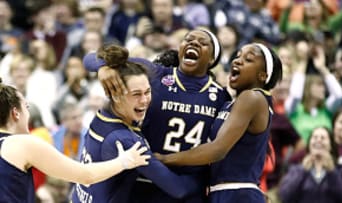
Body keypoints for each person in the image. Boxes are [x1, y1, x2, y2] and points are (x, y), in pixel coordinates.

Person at [83, 28, 231, 202]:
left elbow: (220, 146)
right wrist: (102, 68)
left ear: (212, 59)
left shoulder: (221, 97)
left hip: (188, 184)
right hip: (144, 177)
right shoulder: (155, 72)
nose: (193, 43)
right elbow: (90, 58)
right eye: (188, 39)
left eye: (203, 42)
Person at [71, 44, 203, 203]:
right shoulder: (126, 140)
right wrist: (205, 180)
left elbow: (92, 58)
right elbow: (178, 189)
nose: (145, 100)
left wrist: (103, 67)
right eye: (136, 94)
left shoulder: (103, 115)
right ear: (116, 94)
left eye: (148, 92)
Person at [155, 43, 283, 203]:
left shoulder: (252, 98)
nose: (237, 61)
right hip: (222, 192)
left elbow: (218, 150)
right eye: (237, 56)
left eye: (248, 60)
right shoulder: (230, 103)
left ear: (262, 76)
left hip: (238, 193)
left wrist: (165, 159)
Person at [0, 78, 150, 203]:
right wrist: (125, 161)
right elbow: (85, 175)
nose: (28, 112)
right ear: (16, 113)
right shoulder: (20, 144)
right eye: (26, 106)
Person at [278, 127, 342, 203]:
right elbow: (285, 196)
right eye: (315, 137)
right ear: (309, 144)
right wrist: (303, 170)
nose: (318, 140)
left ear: (331, 145)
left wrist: (332, 172)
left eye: (323, 138)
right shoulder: (296, 170)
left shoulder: (341, 170)